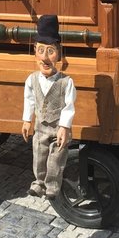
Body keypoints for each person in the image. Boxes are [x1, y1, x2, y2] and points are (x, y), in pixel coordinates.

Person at [21, 15, 75, 199]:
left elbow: (69, 106)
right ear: (35, 51)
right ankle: (39, 183)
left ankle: (52, 185)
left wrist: (65, 127)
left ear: (59, 54)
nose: (45, 57)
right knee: (39, 154)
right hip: (40, 127)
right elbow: (29, 100)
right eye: (41, 50)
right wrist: (27, 120)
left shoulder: (66, 82)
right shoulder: (32, 79)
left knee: (56, 157)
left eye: (50, 51)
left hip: (58, 127)